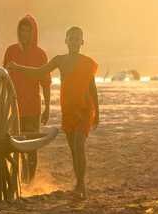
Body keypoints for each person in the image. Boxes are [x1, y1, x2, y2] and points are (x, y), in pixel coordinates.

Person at [6, 26, 99, 199]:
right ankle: (78, 183)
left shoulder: (87, 63)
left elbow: (92, 89)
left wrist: (97, 114)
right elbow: (39, 72)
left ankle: (81, 185)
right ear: (66, 41)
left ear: (82, 42)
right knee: (73, 149)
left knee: (79, 145)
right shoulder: (60, 60)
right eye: (71, 38)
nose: (74, 42)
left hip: (84, 109)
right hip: (68, 111)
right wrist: (17, 67)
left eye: (77, 39)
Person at [3, 15, 51, 183]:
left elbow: (46, 83)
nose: (24, 34)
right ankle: (15, 179)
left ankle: (28, 181)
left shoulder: (40, 54)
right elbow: (3, 78)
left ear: (33, 33)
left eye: (27, 30)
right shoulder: (11, 51)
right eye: (21, 30)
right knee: (11, 144)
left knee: (31, 146)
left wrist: (47, 108)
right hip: (12, 108)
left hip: (32, 108)